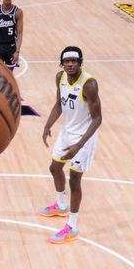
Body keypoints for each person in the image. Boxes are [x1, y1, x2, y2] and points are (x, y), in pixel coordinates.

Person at [38, 46, 102, 245]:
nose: (71, 64)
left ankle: (72, 227)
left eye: (74, 61)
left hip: (85, 135)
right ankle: (61, 205)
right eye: (67, 61)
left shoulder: (89, 84)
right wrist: (48, 125)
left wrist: (79, 145)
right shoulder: (60, 77)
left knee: (74, 180)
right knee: (54, 167)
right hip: (68, 131)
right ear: (62, 63)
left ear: (80, 62)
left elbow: (98, 118)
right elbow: (59, 104)